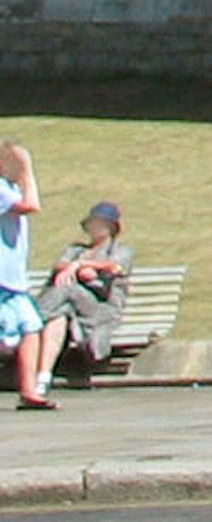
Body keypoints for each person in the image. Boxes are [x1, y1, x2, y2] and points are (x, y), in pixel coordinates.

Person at [39, 204, 132, 381]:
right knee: (59, 313)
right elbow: (58, 266)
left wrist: (76, 266)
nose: (94, 228)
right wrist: (77, 267)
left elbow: (112, 267)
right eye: (91, 224)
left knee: (67, 287)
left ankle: (34, 319)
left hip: (101, 309)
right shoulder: (76, 250)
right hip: (71, 305)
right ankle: (43, 377)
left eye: (99, 224)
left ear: (112, 227)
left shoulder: (120, 251)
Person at [0, 144, 47, 410]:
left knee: (31, 328)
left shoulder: (9, 189)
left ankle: (29, 391)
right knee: (28, 328)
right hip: (2, 279)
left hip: (12, 278)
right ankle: (28, 390)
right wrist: (28, 171)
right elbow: (31, 206)